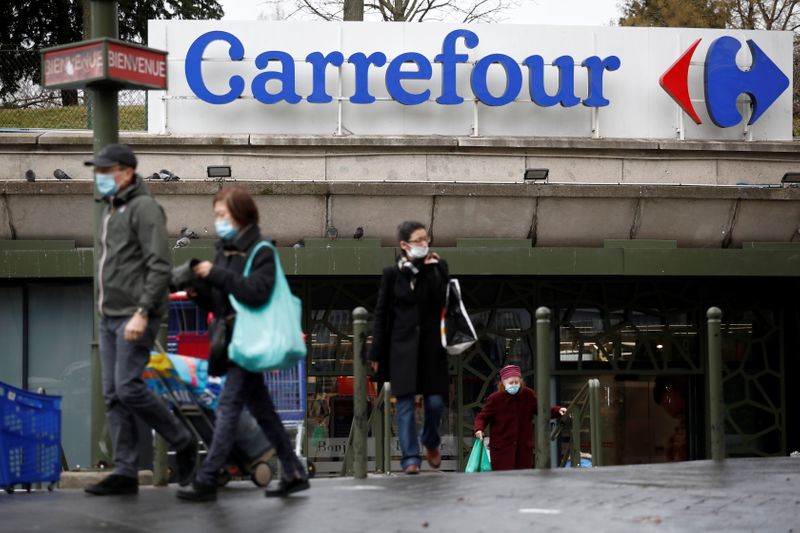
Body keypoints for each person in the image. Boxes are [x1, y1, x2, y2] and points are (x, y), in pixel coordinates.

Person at [177, 186, 309, 502]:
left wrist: (216, 274)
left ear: (240, 214)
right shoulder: (224, 250)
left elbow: (255, 292)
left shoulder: (261, 250)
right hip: (236, 343)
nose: (219, 220)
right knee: (262, 411)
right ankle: (293, 471)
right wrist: (196, 287)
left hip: (248, 342)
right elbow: (220, 303)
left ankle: (208, 477)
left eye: (223, 214)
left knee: (228, 406)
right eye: (217, 215)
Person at [84, 144, 198, 496]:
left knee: (129, 388)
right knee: (114, 395)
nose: (100, 177)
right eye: (98, 171)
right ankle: (125, 470)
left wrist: (143, 311)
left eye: (106, 170)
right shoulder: (111, 210)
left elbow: (160, 265)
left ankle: (183, 439)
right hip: (110, 315)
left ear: (127, 173)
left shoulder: (144, 208)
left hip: (135, 315)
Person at [369, 221, 450, 475]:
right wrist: (376, 352)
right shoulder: (392, 274)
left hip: (431, 348)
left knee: (435, 402)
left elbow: (445, 300)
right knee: (404, 405)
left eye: (426, 239)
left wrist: (434, 270)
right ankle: (410, 458)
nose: (424, 244)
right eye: (418, 241)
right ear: (404, 245)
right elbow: (382, 314)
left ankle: (430, 441)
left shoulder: (438, 268)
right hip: (402, 349)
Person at [474, 364, 566, 471]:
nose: (514, 385)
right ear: (503, 383)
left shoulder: (528, 395)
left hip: (523, 451)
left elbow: (542, 409)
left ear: (520, 382)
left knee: (524, 481)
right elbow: (482, 417)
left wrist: (557, 410)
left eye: (516, 382)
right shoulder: (494, 399)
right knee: (502, 482)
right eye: (510, 383)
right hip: (502, 452)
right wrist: (479, 429)